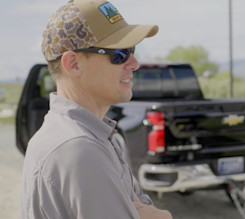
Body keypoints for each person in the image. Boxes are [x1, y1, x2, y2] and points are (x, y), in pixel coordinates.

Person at [20, 0, 172, 218]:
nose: (134, 63)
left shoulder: (90, 133)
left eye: (131, 49)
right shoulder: (79, 148)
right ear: (73, 64)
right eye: (119, 53)